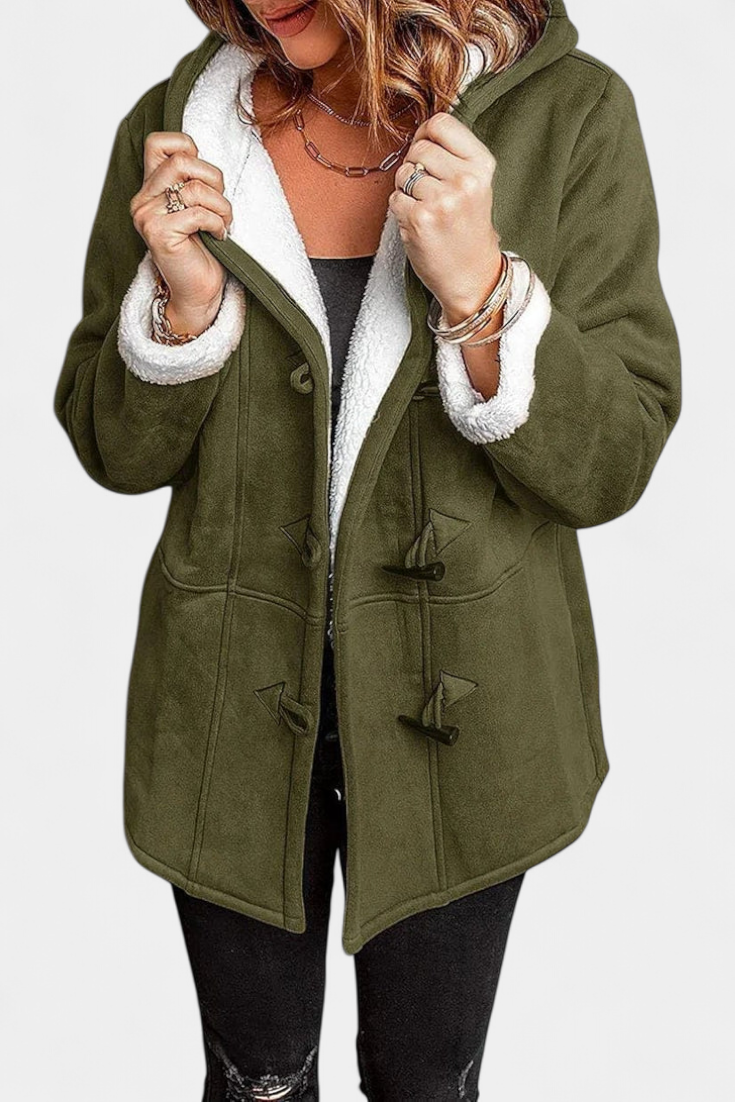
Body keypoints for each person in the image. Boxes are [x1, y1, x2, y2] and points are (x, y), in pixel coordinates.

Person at [54, 1, 682, 1098]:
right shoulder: (181, 127)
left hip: (469, 715)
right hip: (227, 709)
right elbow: (113, 447)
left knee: (425, 1084)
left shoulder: (572, 117)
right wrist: (183, 309)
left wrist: (483, 295)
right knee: (253, 1082)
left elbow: (612, 460)